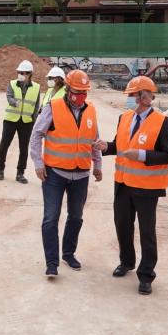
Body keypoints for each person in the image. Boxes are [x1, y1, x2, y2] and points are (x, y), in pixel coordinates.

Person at [96, 76, 168, 295]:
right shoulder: (124, 118)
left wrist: (141, 155)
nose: (129, 100)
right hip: (123, 183)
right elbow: (120, 146)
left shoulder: (162, 122)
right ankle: (126, 261)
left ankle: (146, 274)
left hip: (147, 187)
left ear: (144, 97)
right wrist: (106, 147)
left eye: (132, 96)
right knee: (122, 225)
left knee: (146, 231)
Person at [29, 69, 102, 278]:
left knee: (76, 217)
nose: (81, 96)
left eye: (84, 92)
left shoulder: (91, 111)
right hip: (54, 174)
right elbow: (36, 135)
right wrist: (38, 163)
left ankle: (68, 253)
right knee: (51, 218)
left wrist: (97, 165)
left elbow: (94, 140)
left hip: (81, 175)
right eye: (77, 91)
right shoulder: (53, 107)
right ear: (68, 89)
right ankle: (51, 262)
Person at [0, 60, 41, 183]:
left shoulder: (36, 87)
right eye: (19, 72)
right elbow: (9, 96)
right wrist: (15, 102)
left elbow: (36, 105)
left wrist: (34, 120)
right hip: (11, 119)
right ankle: (0, 169)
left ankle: (20, 173)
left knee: (24, 148)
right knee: (4, 144)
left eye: (24, 73)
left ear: (29, 74)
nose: (21, 74)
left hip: (26, 122)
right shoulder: (12, 84)